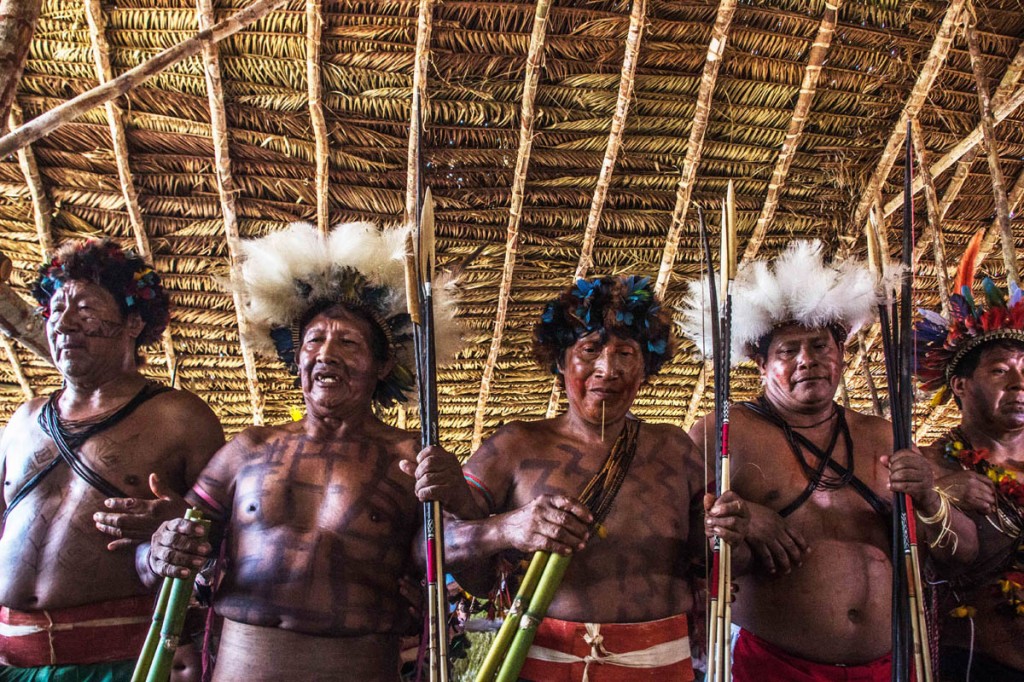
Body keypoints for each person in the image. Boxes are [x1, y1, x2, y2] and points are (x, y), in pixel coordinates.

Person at [147, 221, 460, 682]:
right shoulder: (249, 449)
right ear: (297, 358)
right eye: (314, 340)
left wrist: (465, 504)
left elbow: (466, 566)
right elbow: (170, 556)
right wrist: (158, 547)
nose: (326, 353)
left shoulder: (411, 458)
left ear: (383, 365)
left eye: (348, 342)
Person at [413, 275, 749, 682]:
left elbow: (723, 558)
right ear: (561, 360)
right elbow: (428, 547)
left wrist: (729, 530)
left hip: (662, 665)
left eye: (625, 353)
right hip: (542, 665)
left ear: (646, 366)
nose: (608, 369)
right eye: (590, 350)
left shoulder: (675, 449)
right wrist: (507, 528)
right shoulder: (515, 446)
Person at [680, 240, 977, 682]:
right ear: (761, 363)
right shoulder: (724, 433)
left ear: (841, 353)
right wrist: (742, 521)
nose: (808, 360)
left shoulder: (883, 434)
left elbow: (963, 553)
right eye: (788, 350)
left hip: (890, 665)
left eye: (820, 345)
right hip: (773, 665)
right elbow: (689, 550)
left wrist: (930, 499)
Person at [0, 239, 224, 680]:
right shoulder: (23, 420)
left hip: (118, 664)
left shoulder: (180, 418)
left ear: (134, 322)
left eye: (85, 308)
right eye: (56, 309)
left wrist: (186, 526)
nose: (64, 322)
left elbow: (226, 539)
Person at [914, 231, 1024, 681]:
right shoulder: (927, 467)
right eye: (1000, 371)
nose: (1018, 384)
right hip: (975, 665)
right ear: (960, 385)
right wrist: (935, 496)